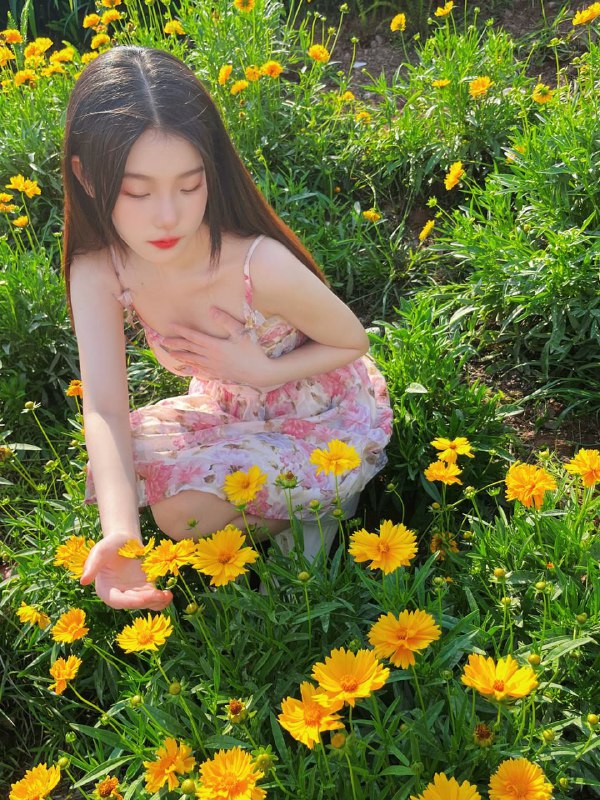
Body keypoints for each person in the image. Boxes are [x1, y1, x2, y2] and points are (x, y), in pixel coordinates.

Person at [63, 46, 392, 612]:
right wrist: (121, 533)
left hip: (320, 411)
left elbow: (352, 341)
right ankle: (295, 504)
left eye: (190, 186)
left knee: (181, 516)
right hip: (231, 405)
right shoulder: (99, 270)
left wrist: (260, 370)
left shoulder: (256, 264)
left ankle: (324, 502)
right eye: (138, 191)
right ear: (88, 177)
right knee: (140, 482)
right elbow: (106, 409)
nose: (168, 216)